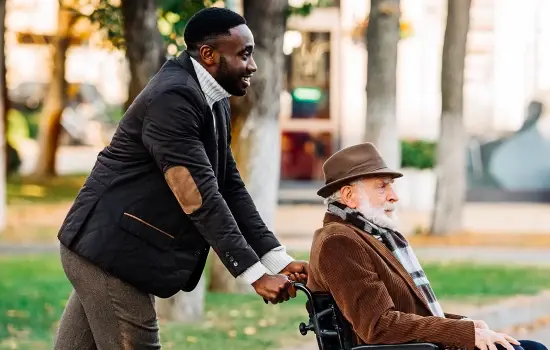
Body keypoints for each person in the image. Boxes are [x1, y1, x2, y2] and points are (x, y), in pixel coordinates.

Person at [53, 7, 308, 350]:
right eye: (244, 54)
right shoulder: (173, 98)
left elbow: (229, 186)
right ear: (208, 54)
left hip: (109, 248)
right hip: (110, 251)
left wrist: (276, 258)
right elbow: (199, 195)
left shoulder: (211, 98)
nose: (253, 65)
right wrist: (254, 273)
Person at [306, 142, 547, 350]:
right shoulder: (340, 242)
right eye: (382, 186)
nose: (394, 196)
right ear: (349, 196)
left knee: (530, 347)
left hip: (417, 346)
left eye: (391, 185)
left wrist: (465, 324)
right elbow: (378, 325)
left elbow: (409, 312)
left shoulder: (365, 235)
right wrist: (463, 333)